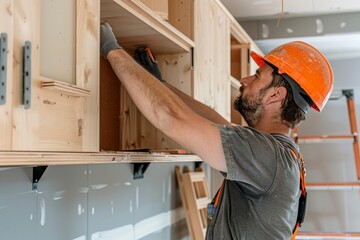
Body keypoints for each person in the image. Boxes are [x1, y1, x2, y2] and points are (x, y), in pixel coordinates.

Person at [100, 22, 333, 240]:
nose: (245, 79)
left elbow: (170, 117)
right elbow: (217, 122)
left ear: (275, 95)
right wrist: (159, 84)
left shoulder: (268, 156)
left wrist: (111, 49)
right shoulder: (278, 154)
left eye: (257, 76)